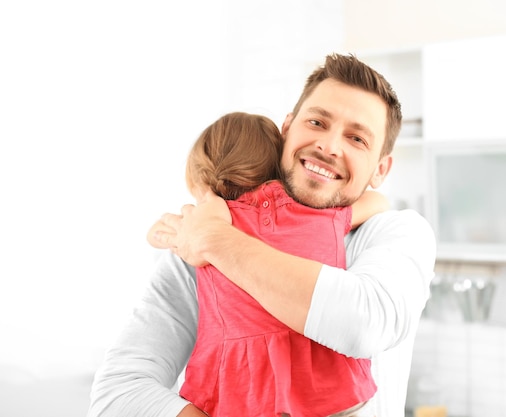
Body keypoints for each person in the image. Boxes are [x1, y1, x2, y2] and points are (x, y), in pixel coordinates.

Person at [88, 53, 436, 417]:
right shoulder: (195, 254)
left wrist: (217, 240)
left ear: (381, 169)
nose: (329, 146)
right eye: (317, 122)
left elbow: (365, 323)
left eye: (357, 139)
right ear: (286, 128)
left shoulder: (396, 232)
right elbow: (117, 395)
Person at [146, 111, 388, 416]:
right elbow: (379, 203)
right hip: (325, 381)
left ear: (201, 173)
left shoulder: (207, 224)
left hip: (241, 385)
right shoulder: (320, 214)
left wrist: (204, 208)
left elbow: (155, 234)